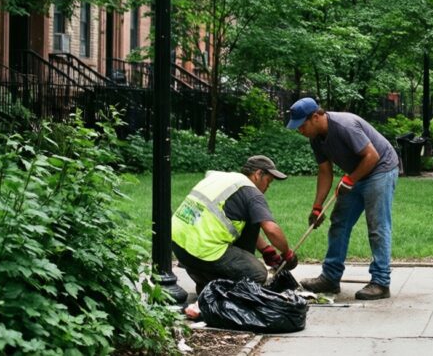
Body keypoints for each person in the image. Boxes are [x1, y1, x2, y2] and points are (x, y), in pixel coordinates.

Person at [287, 97, 399, 300]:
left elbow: (371, 156)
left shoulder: (344, 125)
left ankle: (381, 282)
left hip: (380, 169)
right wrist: (317, 206)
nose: (300, 131)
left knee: (377, 226)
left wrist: (350, 179)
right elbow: (324, 172)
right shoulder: (316, 138)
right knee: (339, 222)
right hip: (357, 173)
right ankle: (330, 277)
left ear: (315, 117)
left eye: (302, 126)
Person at [171, 155, 298, 294]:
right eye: (268, 181)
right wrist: (287, 253)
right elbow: (271, 229)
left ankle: (206, 281)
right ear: (258, 174)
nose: (268, 186)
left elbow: (237, 222)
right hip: (202, 251)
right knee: (257, 273)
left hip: (178, 245)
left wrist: (266, 250)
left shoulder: (221, 178)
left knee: (252, 217)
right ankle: (223, 291)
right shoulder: (252, 193)